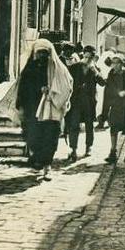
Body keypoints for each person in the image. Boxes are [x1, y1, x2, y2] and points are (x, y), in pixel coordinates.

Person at [16, 38, 73, 180]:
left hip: (51, 109)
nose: (42, 56)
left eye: (45, 53)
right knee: (33, 137)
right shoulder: (30, 68)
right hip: (33, 109)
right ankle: (38, 159)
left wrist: (52, 91)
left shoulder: (58, 68)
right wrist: (22, 102)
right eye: (40, 53)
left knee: (50, 138)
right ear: (35, 53)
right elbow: (23, 87)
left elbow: (67, 84)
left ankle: (47, 166)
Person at [66, 51, 105, 162]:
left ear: (93, 58)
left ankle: (88, 147)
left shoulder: (95, 69)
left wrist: (96, 72)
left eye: (89, 57)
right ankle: (73, 149)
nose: (86, 59)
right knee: (74, 125)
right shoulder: (74, 67)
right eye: (85, 56)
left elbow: (102, 83)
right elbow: (68, 81)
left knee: (89, 125)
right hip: (76, 102)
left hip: (89, 102)